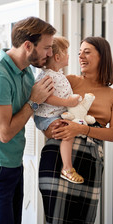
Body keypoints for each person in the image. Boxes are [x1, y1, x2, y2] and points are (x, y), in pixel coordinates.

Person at [0, 16, 56, 224]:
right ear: (27, 45)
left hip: (13, 165)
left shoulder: (25, 72)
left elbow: (33, 110)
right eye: (46, 48)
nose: (50, 53)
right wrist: (33, 102)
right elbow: (4, 134)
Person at [38, 36, 113, 223]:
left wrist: (81, 129)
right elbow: (44, 107)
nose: (81, 57)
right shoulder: (68, 80)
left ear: (103, 57)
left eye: (87, 52)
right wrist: (49, 130)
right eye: (79, 53)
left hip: (89, 159)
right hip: (57, 157)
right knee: (55, 218)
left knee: (82, 219)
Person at [34, 36, 84, 184]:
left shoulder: (57, 75)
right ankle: (67, 168)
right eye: (66, 52)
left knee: (70, 129)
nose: (69, 55)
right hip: (47, 117)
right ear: (57, 57)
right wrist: (68, 101)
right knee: (67, 133)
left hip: (53, 115)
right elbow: (45, 97)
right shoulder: (48, 76)